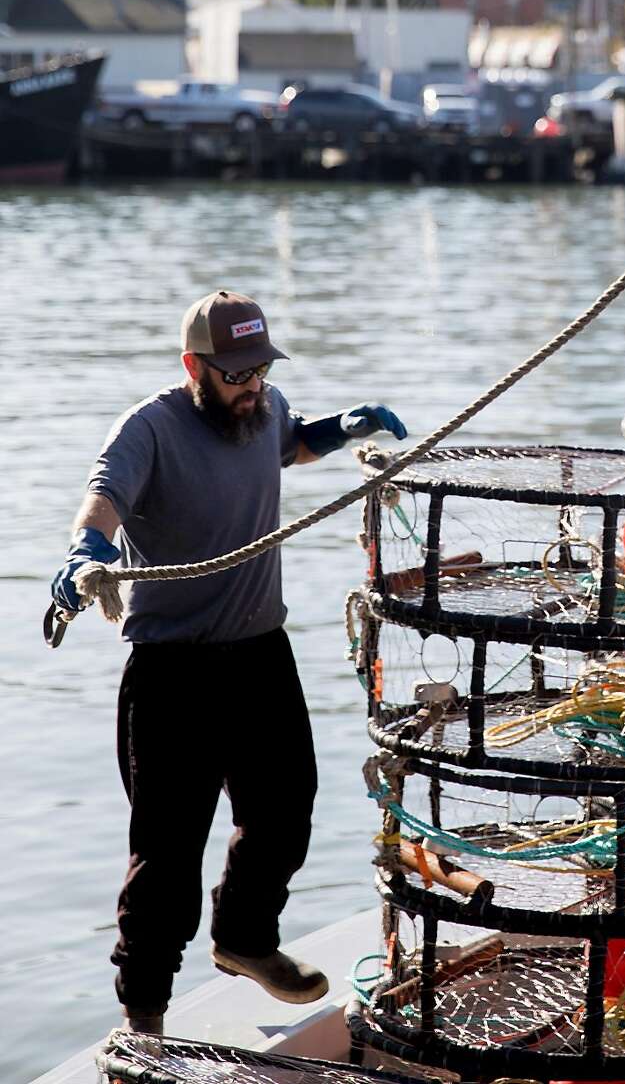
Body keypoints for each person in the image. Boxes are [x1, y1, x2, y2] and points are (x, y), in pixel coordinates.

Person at [50, 289, 407, 1038]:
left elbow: (292, 441)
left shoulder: (262, 410)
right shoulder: (150, 428)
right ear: (195, 367)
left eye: (260, 370)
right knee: (168, 856)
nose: (252, 386)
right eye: (236, 374)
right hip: (171, 671)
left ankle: (243, 938)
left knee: (286, 810)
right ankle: (143, 1017)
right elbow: (102, 500)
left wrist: (345, 427)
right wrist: (87, 555)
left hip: (258, 655)